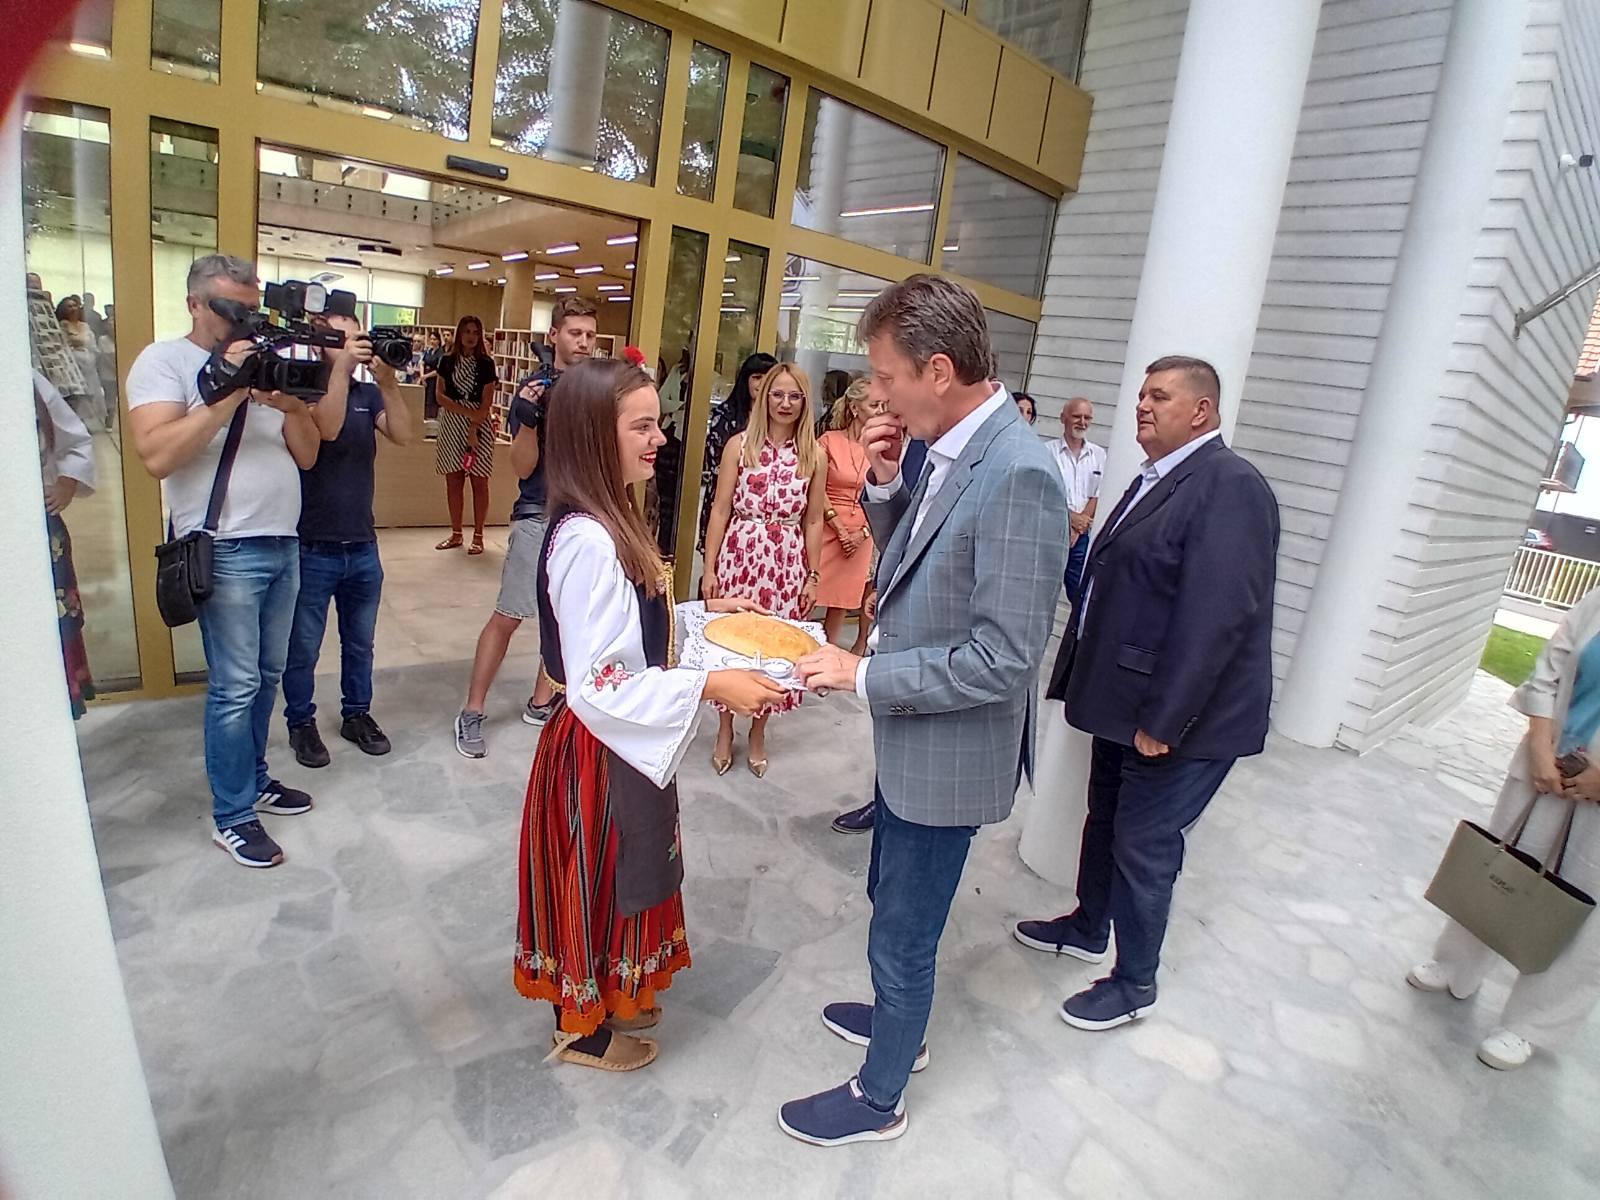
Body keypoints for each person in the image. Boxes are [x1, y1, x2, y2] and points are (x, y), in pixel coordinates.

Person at [781, 275, 1068, 1146]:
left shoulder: (1019, 473)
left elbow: (1003, 658)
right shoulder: (954, 448)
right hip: (917, 739)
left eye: (886, 375)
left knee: (904, 930)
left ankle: (879, 1098)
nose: (877, 394)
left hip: (950, 750)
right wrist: (883, 481)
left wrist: (861, 674)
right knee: (888, 896)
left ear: (938, 370)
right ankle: (898, 1027)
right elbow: (928, 557)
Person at [514, 356, 785, 1071]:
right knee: (599, 882)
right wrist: (709, 683)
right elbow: (600, 682)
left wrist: (702, 614)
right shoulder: (587, 541)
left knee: (625, 874)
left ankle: (612, 993)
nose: (659, 438)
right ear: (592, 437)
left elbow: (630, 632)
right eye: (641, 426)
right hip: (597, 749)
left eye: (656, 423)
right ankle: (581, 1029)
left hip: (620, 742)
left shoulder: (611, 519)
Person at [1017, 356, 1279, 1030]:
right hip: (1122, 702)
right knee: (1104, 817)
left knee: (1144, 844)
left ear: (1202, 411)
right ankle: (1089, 925)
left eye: (1159, 396)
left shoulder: (1230, 486)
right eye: (1141, 395)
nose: (1142, 405)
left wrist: (1166, 719)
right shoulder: (1154, 477)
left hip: (1180, 719)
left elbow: (1217, 617)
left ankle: (1134, 983)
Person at [126, 254, 323, 869]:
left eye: (251, 307)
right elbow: (157, 455)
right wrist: (230, 390)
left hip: (284, 541)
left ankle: (254, 779)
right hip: (226, 545)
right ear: (194, 304)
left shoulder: (266, 360)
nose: (244, 320)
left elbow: (308, 456)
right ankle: (232, 815)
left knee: (267, 675)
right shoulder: (164, 361)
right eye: (231, 307)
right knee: (235, 687)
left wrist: (293, 406)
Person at [1406, 587, 1600, 1070]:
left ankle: (1531, 1025)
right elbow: (1552, 665)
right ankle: (1456, 964)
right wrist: (1539, 743)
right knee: (1500, 868)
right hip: (1549, 762)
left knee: (1586, 910)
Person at [455, 296, 598, 759]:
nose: (583, 342)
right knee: (510, 614)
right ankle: (472, 710)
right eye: (574, 333)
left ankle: (541, 701)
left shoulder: (594, 391)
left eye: (590, 335)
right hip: (538, 512)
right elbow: (521, 466)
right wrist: (530, 420)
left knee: (563, 617)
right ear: (554, 335)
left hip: (582, 517)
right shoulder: (533, 389)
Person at [281, 311, 418, 768]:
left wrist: (389, 383)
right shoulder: (302, 391)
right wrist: (342, 369)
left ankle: (356, 714)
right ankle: (300, 722)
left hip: (362, 543)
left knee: (360, 643)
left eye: (354, 336)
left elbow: (404, 434)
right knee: (304, 646)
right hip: (312, 544)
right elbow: (328, 428)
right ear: (317, 343)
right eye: (338, 338)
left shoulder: (367, 394)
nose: (350, 345)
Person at [701, 363, 826, 777]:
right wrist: (709, 567)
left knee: (774, 652)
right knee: (732, 644)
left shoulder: (814, 455)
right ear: (763, 397)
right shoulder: (739, 446)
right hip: (741, 553)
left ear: (805, 402)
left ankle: (758, 730)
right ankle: (724, 727)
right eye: (777, 394)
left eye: (794, 396)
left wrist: (812, 576)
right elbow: (720, 508)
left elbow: (813, 520)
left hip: (785, 562)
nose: (785, 403)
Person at [828, 433, 928, 838]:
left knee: (909, 717)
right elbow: (907, 531)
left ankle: (894, 806)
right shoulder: (918, 447)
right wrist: (883, 589)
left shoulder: (991, 457)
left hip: (935, 631)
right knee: (889, 718)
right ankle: (882, 799)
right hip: (898, 603)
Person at [34, 369, 97, 718]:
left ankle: (52, 720)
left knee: (50, 626)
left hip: (36, 524)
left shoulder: (25, 379)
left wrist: (66, 483)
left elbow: (75, 440)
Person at [816, 378, 884, 655]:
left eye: (883, 405)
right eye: (874, 405)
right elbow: (815, 486)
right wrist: (839, 527)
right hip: (826, 525)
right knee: (809, 591)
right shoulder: (828, 441)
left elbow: (886, 494)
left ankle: (829, 654)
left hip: (864, 530)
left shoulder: (883, 447)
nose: (880, 411)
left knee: (842, 600)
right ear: (855, 408)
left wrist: (863, 533)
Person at [696, 351, 776, 553]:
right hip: (724, 501)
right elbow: (716, 463)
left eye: (769, 378)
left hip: (763, 513)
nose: (762, 383)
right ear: (745, 380)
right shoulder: (725, 416)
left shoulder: (781, 421)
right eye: (757, 377)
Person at [433, 315, 498, 555]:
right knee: (454, 481)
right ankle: (456, 533)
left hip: (479, 424)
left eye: (475, 332)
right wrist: (464, 413)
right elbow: (440, 396)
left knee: (480, 481)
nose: (471, 337)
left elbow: (487, 401)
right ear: (459, 334)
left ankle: (478, 535)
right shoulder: (446, 360)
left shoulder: (486, 364)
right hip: (451, 423)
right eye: (467, 332)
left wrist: (473, 425)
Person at [1053, 396, 1105, 606]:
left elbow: (1098, 492)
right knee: (1044, 591)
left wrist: (1079, 525)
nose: (1082, 422)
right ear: (1063, 418)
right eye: (1076, 416)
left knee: (1080, 594)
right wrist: (1070, 518)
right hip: (1053, 531)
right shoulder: (1047, 452)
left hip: (1082, 536)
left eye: (1087, 417)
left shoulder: (1098, 454)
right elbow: (1045, 493)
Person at [55, 295, 107, 429]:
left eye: (75, 306)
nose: (73, 309)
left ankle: (86, 424)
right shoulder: (62, 326)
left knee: (91, 396)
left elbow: (93, 346)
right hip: (73, 368)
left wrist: (91, 355)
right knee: (78, 399)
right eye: (69, 306)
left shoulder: (85, 326)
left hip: (89, 367)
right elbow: (62, 346)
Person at [420, 329, 444, 420]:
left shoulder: (441, 353)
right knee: (423, 400)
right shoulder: (428, 351)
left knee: (432, 400)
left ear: (438, 341)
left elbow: (439, 370)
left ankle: (431, 419)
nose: (432, 341)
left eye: (434, 339)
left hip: (434, 380)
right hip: (424, 379)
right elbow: (422, 363)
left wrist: (426, 376)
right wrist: (422, 376)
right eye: (431, 339)